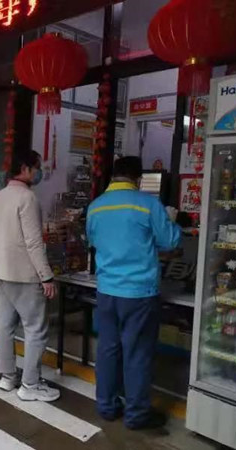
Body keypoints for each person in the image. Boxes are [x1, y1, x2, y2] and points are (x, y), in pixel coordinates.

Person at [86, 156, 181, 430]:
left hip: (106, 291)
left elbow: (93, 240)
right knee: (137, 354)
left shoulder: (95, 207)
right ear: (138, 179)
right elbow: (171, 241)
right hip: (139, 293)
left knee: (108, 350)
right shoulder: (147, 204)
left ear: (114, 177)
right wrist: (172, 220)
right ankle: (137, 415)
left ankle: (106, 407)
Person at [0, 150, 61, 402]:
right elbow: (34, 242)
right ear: (25, 169)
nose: (40, 172)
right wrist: (46, 276)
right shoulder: (27, 198)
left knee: (5, 324)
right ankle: (30, 385)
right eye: (37, 167)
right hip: (23, 274)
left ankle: (8, 377)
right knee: (36, 329)